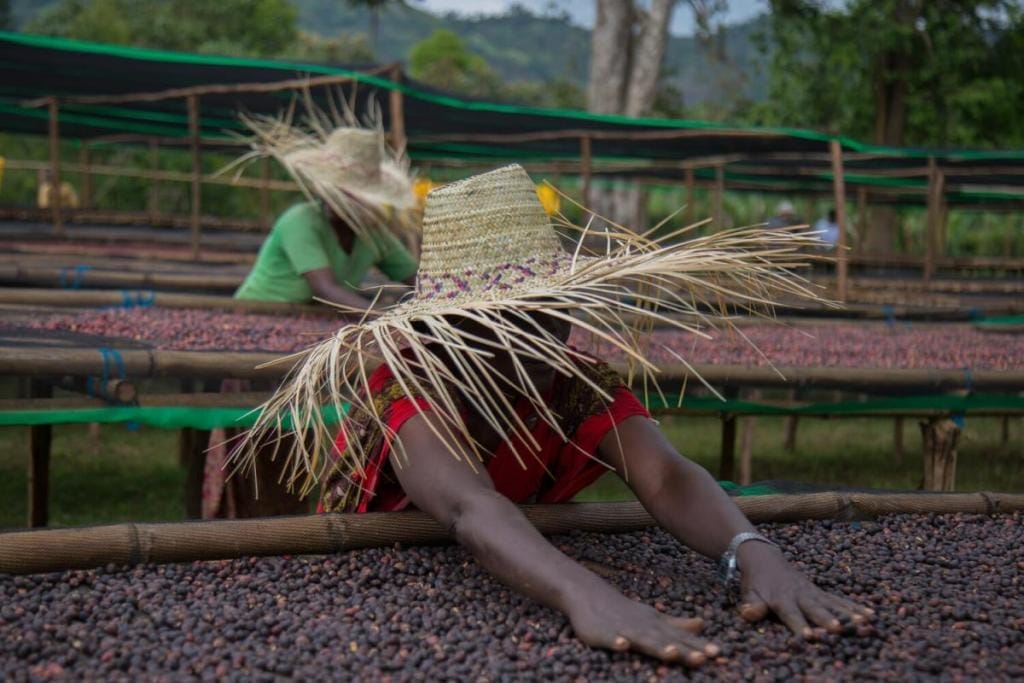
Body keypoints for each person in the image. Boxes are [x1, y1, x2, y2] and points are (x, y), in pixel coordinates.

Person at [232, 165, 870, 665]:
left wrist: (751, 548)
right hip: (376, 576)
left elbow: (666, 476)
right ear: (450, 330)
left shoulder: (570, 384)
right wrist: (586, 594)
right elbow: (470, 509)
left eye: (552, 311)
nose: (542, 337)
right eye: (512, 321)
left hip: (516, 558)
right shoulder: (408, 391)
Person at [203, 115, 419, 519]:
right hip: (256, 331)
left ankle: (301, 514)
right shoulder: (301, 220)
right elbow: (326, 288)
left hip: (311, 339)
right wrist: (392, 320)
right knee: (265, 441)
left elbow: (414, 276)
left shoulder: (373, 231)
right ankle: (254, 524)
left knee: (308, 434)